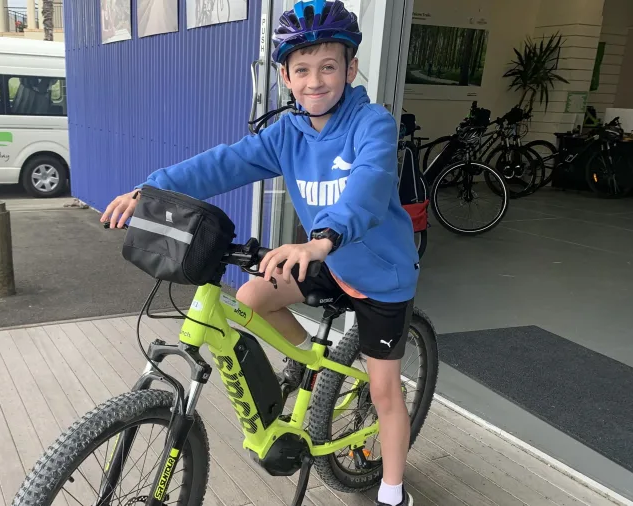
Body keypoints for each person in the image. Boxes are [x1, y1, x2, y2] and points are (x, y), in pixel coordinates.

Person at [101, 1, 419, 504]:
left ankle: (393, 491)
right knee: (249, 297)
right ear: (285, 77)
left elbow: (371, 184)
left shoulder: (372, 124)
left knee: (384, 393)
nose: (315, 81)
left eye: (328, 67)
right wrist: (150, 190)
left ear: (351, 68)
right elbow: (221, 164)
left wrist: (321, 239)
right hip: (325, 258)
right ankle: (306, 362)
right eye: (302, 70)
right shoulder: (288, 134)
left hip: (380, 274)